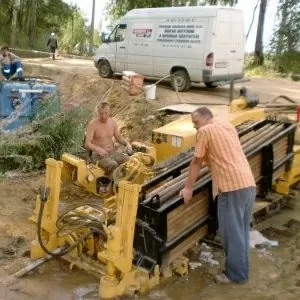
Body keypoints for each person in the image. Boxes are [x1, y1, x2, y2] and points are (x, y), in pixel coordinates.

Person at [180, 107, 256, 284]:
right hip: (247, 184)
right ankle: (241, 271)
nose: (195, 127)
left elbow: (196, 161)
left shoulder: (205, 131)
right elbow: (221, 155)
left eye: (196, 123)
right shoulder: (227, 125)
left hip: (230, 188)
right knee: (241, 232)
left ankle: (236, 276)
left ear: (206, 119)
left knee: (231, 234)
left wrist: (188, 188)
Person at [85, 102, 132, 174]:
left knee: (129, 161)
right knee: (113, 165)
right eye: (101, 113)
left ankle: (128, 182)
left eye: (106, 113)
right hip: (99, 156)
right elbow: (87, 143)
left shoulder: (112, 123)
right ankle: (115, 183)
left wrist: (127, 143)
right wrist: (99, 150)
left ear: (109, 112)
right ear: (98, 113)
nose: (103, 116)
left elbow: (118, 137)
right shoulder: (93, 124)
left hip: (112, 153)